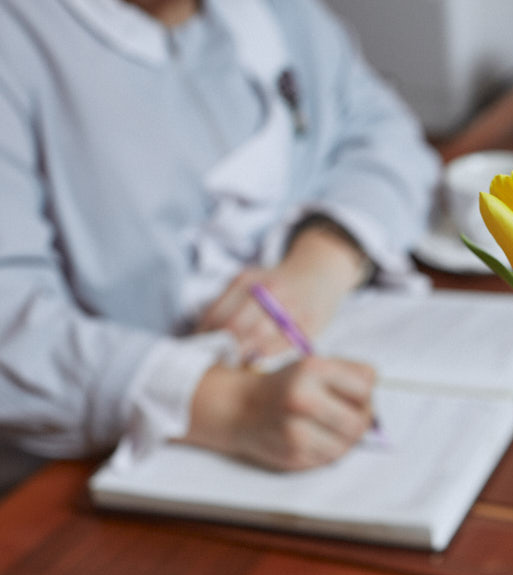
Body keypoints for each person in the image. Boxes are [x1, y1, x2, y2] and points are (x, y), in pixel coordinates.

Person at [0, 0, 441, 490]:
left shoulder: (277, 15)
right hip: (82, 472)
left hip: (302, 383)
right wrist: (223, 404)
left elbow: (386, 135)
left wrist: (324, 259)